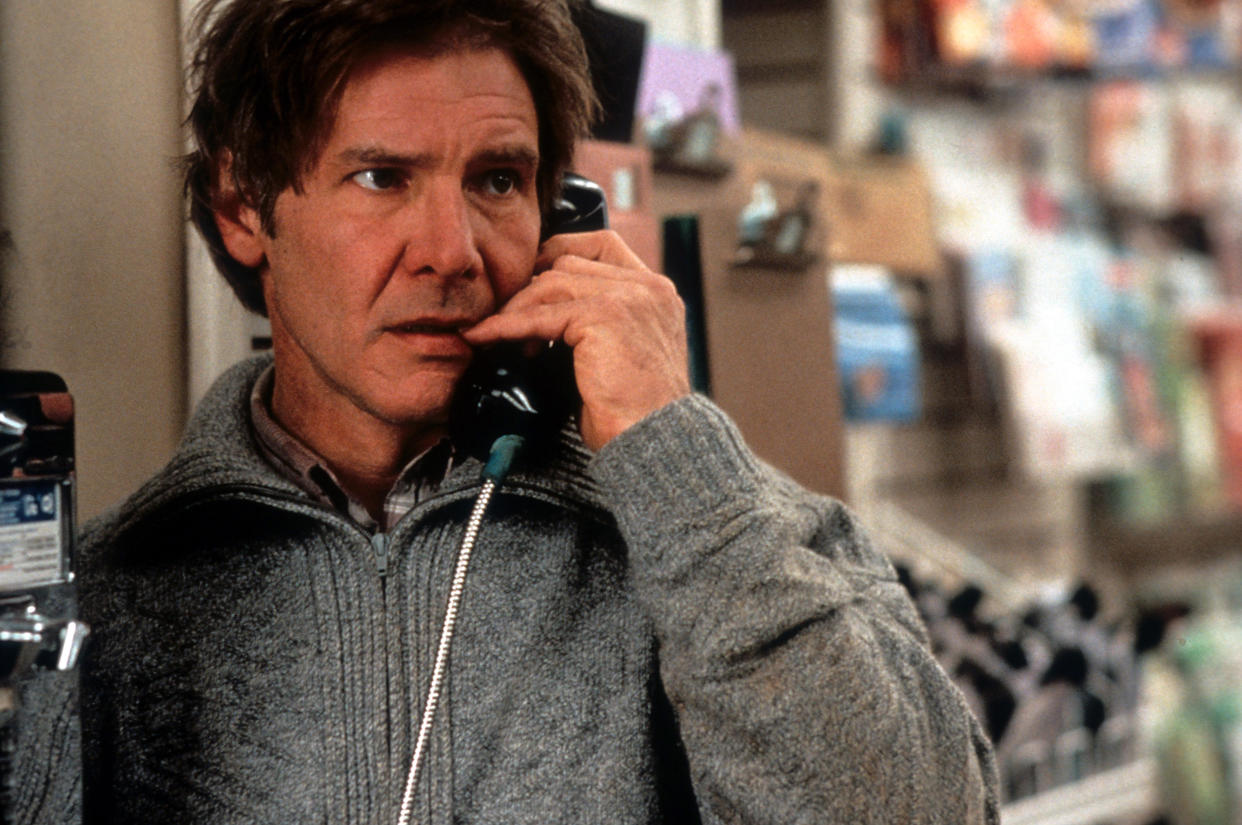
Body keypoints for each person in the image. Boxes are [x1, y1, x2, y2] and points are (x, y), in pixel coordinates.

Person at [74, 0, 1000, 822]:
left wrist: (672, 459)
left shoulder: (726, 536)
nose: (452, 251)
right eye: (382, 177)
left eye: (498, 181)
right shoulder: (107, 600)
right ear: (244, 205)